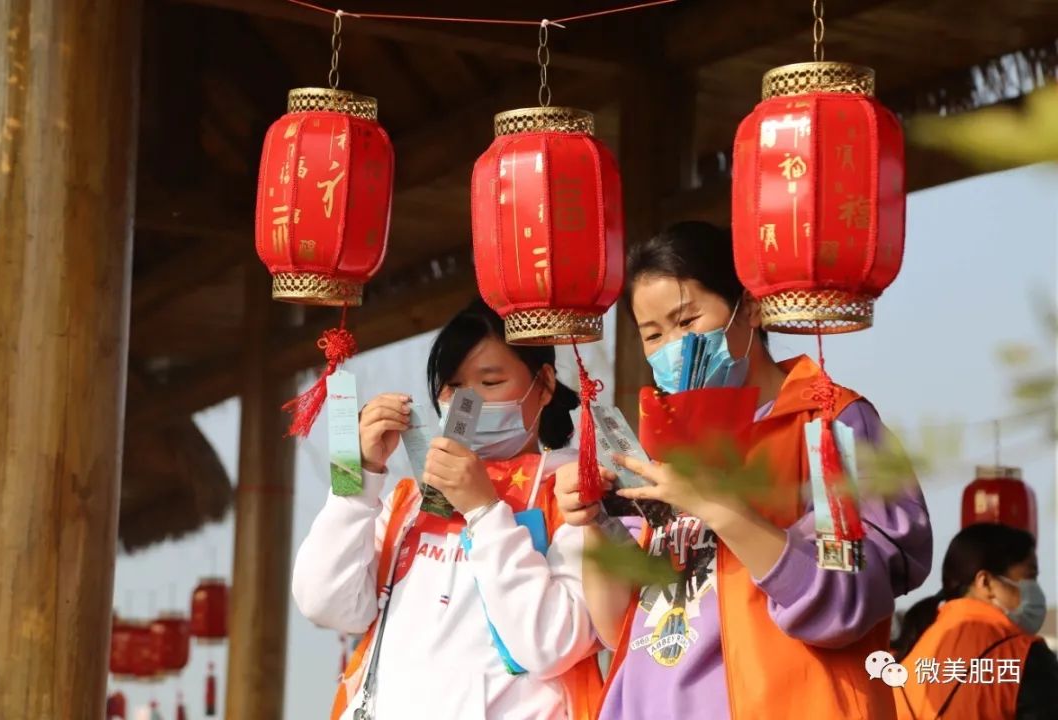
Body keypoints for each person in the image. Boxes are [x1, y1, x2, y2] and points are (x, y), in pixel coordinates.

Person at [555, 221, 933, 719]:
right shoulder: (665, 447)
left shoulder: (827, 426)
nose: (673, 346)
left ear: (750, 307)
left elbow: (847, 603)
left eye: (687, 320)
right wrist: (596, 524)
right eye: (653, 334)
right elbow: (617, 629)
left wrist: (722, 510)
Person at [292, 298, 602, 720]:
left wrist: (485, 512)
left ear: (544, 385)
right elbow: (325, 603)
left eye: (490, 382)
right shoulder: (408, 502)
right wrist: (357, 478)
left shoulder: (573, 496)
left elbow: (550, 644)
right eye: (453, 387)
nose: (468, 403)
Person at [893, 523, 1058, 719]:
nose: (1035, 588)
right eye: (1030, 576)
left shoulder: (911, 650)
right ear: (985, 582)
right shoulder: (1022, 655)